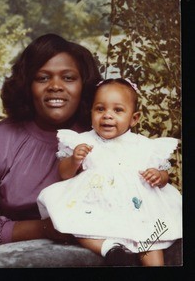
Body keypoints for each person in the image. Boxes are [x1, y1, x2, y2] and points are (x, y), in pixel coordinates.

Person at [37, 78, 182, 266]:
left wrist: (158, 176)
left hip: (137, 209)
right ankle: (109, 248)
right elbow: (64, 174)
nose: (107, 116)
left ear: (134, 118)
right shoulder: (82, 140)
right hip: (97, 205)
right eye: (100, 109)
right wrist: (74, 159)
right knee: (75, 227)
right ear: (91, 113)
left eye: (118, 110)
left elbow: (164, 177)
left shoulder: (144, 146)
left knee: (151, 240)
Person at [0, 33, 102, 248]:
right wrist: (44, 228)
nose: (55, 86)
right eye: (42, 77)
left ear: (84, 85)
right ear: (27, 85)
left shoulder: (104, 137)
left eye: (68, 78)